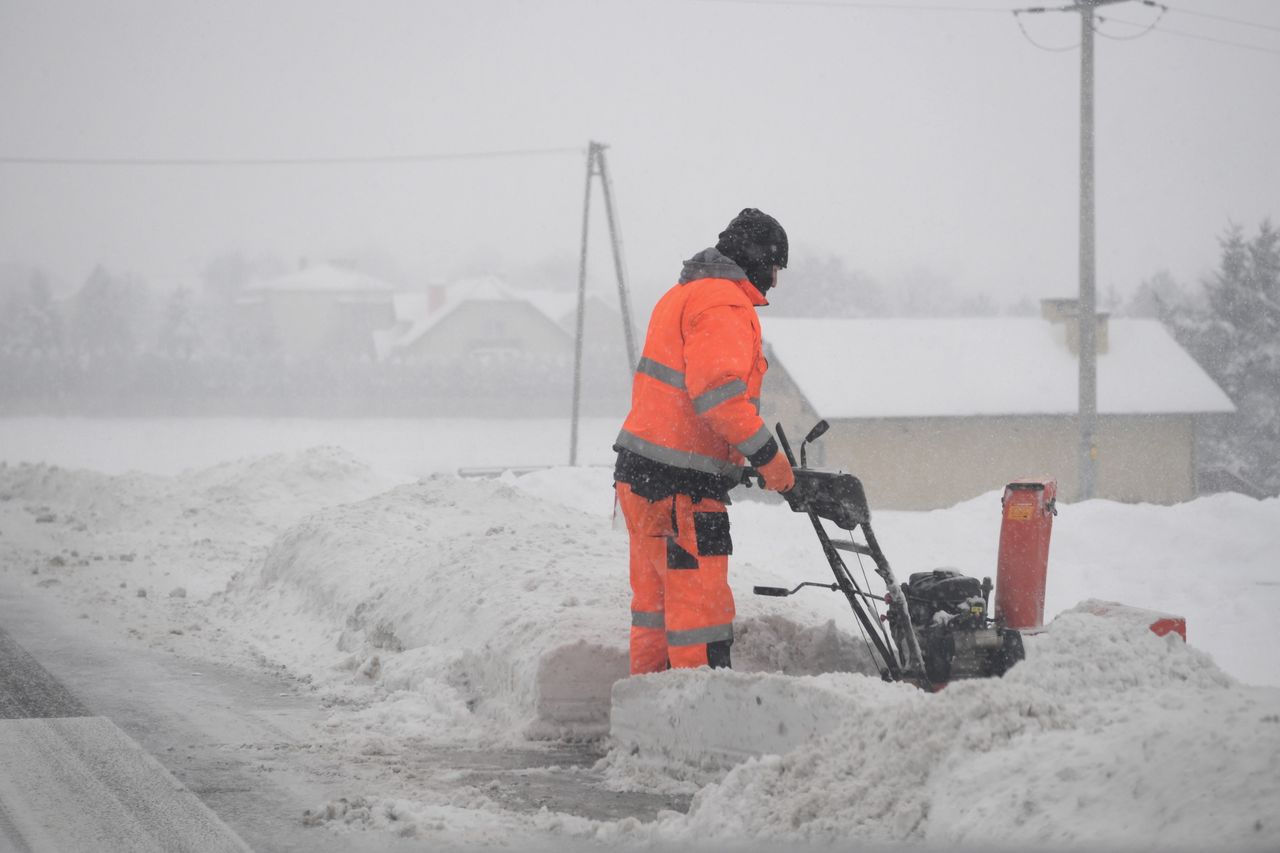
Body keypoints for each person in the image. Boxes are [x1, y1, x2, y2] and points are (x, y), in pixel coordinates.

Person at [613, 208, 796, 675]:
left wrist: (735, 459)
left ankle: (647, 715)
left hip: (641, 478)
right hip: (682, 492)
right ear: (757, 260)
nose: (774, 282)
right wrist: (769, 458)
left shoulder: (683, 294)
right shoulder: (724, 304)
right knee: (700, 617)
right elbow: (719, 399)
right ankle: (698, 718)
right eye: (775, 268)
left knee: (655, 612)